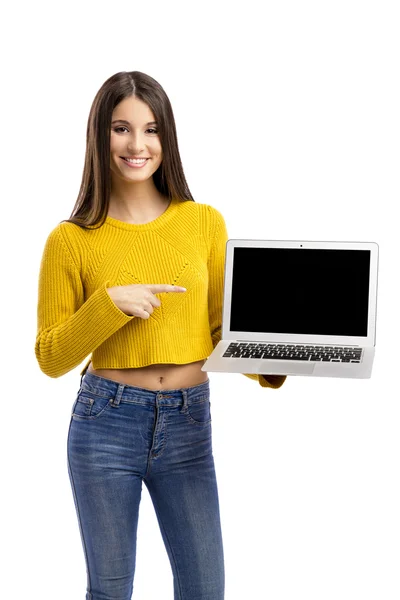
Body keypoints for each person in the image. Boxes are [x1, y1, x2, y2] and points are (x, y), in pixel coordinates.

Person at [35, 70, 286, 600]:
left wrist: (274, 361)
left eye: (151, 130)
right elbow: (51, 356)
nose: (137, 144)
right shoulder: (71, 239)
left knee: (203, 588)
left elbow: (221, 329)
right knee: (109, 591)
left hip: (189, 422)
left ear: (166, 139)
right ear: (99, 136)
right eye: (121, 128)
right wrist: (109, 305)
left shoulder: (204, 223)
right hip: (106, 422)